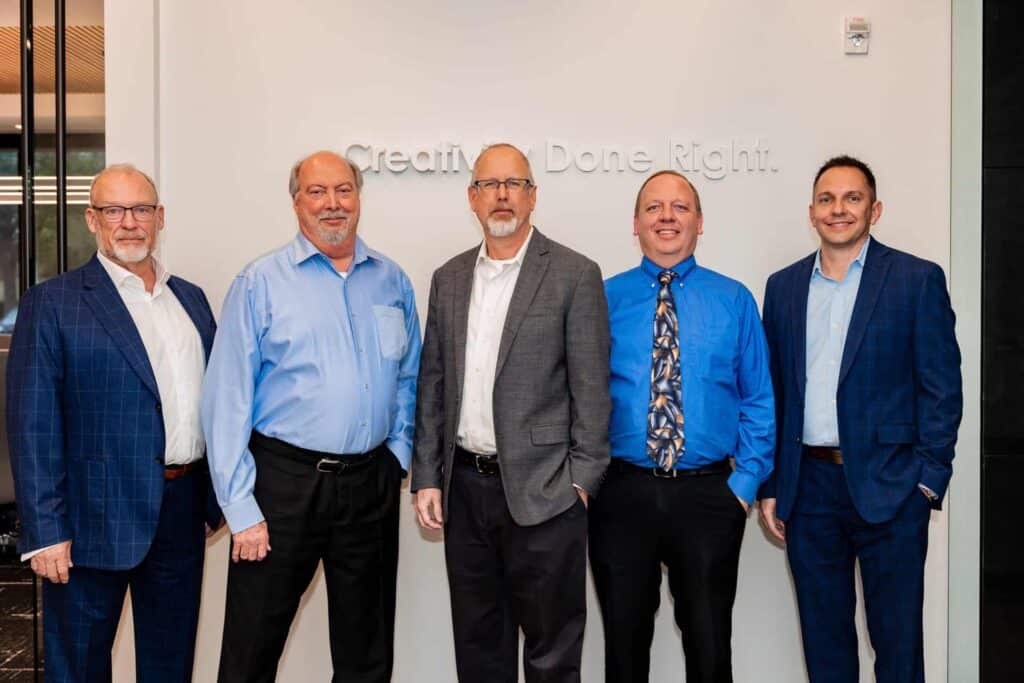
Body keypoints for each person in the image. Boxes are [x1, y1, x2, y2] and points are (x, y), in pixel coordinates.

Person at [201, 150, 421, 683]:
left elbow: (410, 376)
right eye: (317, 192)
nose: (332, 204)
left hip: (370, 482)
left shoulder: (391, 280)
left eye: (343, 190)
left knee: (366, 650)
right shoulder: (260, 282)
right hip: (282, 485)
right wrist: (240, 506)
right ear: (296, 201)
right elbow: (226, 397)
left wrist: (397, 455)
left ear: (359, 198)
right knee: (253, 645)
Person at [6, 163, 221, 681]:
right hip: (88, 523)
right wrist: (45, 531)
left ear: (160, 217)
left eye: (141, 209)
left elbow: (215, 400)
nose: (129, 222)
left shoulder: (190, 299)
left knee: (170, 667)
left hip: (181, 512)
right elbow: (32, 424)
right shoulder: (53, 303)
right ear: (91, 220)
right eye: (114, 210)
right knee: (78, 667)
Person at [758, 155, 962, 683]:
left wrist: (927, 481)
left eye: (852, 198)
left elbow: (942, 388)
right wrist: (774, 484)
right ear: (812, 211)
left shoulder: (916, 280)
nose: (838, 209)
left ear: (875, 210)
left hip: (893, 489)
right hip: (810, 490)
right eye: (827, 199)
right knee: (825, 649)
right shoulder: (782, 288)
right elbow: (775, 391)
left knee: (897, 649)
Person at [411, 143, 610, 682]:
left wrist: (581, 483)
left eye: (514, 184)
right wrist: (427, 476)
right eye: (490, 185)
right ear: (472, 198)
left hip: (547, 493)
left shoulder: (574, 273)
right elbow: (433, 384)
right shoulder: (448, 278)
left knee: (552, 654)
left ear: (532, 197)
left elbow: (592, 391)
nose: (502, 195)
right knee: (479, 649)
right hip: (466, 492)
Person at [591, 170, 774, 683]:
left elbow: (758, 398)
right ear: (635, 223)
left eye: (679, 207)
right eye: (653, 207)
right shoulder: (602, 299)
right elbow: (579, 395)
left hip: (709, 496)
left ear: (699, 223)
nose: (666, 217)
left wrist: (743, 487)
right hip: (621, 495)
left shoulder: (734, 300)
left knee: (710, 649)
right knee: (624, 651)